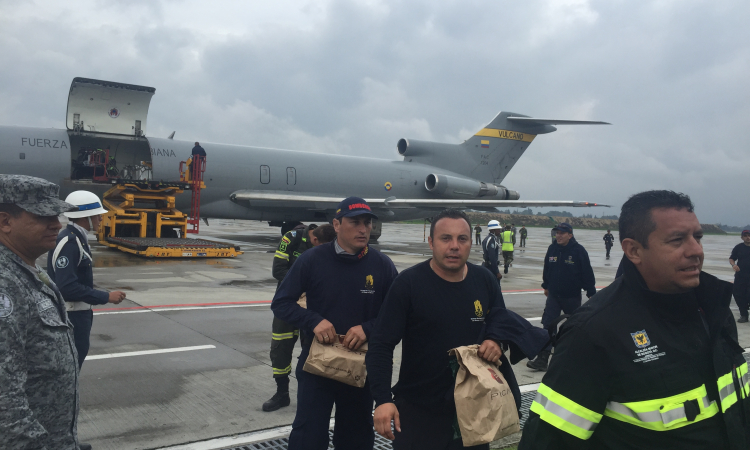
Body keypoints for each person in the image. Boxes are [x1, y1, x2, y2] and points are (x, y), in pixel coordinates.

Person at [519, 190, 750, 450]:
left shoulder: (713, 308)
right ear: (634, 250)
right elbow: (547, 442)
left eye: (697, 237)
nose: (696, 250)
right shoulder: (594, 332)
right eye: (677, 240)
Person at [367, 209, 549, 449]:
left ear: (469, 242)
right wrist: (382, 400)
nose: (454, 246)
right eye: (445, 238)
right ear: (431, 242)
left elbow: (500, 323)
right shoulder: (408, 284)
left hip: (474, 408)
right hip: (419, 410)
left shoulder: (485, 280)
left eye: (462, 239)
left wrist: (495, 341)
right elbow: (381, 344)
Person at [271, 197, 398, 450]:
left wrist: (368, 328)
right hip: (317, 365)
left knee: (356, 437)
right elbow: (281, 303)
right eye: (355, 222)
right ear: (336, 225)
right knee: (307, 436)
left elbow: (395, 315)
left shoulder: (381, 265)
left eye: (367, 223)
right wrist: (313, 320)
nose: (363, 229)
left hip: (359, 368)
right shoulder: (312, 260)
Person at [0, 175, 84, 449]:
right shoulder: (4, 283)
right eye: (42, 216)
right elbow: (5, 403)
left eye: (56, 215)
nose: (56, 224)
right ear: (5, 222)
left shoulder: (27, 270)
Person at [47, 191, 126, 369]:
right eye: (97, 216)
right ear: (86, 217)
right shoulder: (70, 242)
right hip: (72, 315)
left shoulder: (77, 239)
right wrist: (106, 297)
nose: (100, 220)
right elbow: (67, 287)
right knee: (71, 366)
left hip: (79, 314)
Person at [263, 223, 335, 412]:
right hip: (288, 304)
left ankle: (311, 395)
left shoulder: (329, 249)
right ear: (314, 240)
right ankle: (282, 394)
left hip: (311, 308)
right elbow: (278, 270)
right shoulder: (291, 238)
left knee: (312, 351)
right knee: (280, 348)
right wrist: (301, 285)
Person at [526, 222, 595, 371]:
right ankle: (542, 359)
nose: (559, 236)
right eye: (557, 233)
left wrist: (591, 292)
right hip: (554, 296)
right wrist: (546, 285)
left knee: (573, 327)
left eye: (562, 233)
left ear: (570, 235)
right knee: (548, 326)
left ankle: (573, 357)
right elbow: (547, 268)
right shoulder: (552, 249)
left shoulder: (578, 251)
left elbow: (587, 273)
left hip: (571, 297)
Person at [729, 229, 750, 323]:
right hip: (740, 276)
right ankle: (744, 315)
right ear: (742, 237)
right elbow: (732, 258)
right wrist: (734, 265)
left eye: (749, 235)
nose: (748, 237)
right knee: (738, 294)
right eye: (745, 236)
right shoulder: (738, 247)